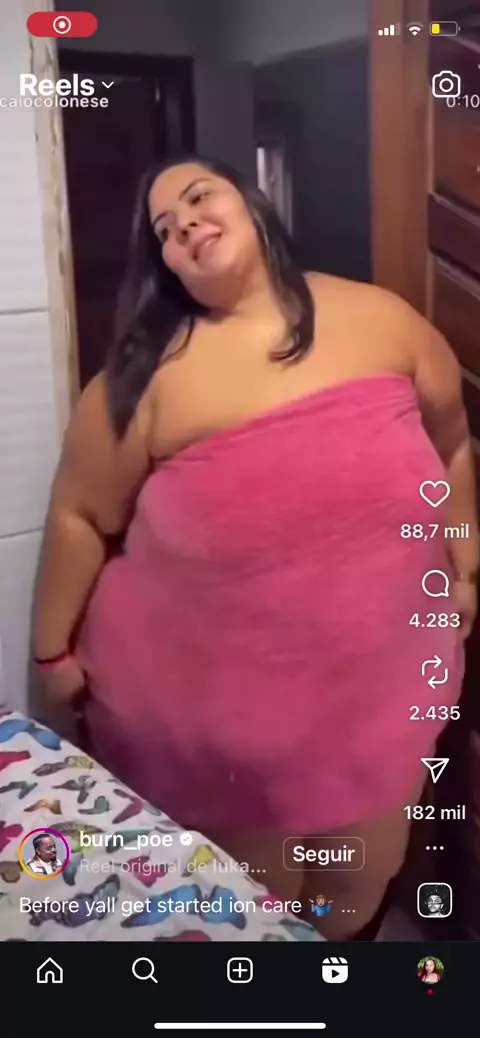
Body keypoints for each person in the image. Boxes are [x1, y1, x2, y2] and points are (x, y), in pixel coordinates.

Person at [33, 155, 478, 940]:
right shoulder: (145, 380)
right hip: (211, 718)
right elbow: (78, 515)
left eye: (199, 196)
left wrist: (465, 564)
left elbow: (451, 444)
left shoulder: (383, 319)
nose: (185, 224)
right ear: (166, 266)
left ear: (252, 202)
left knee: (349, 896)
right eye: (164, 229)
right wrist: (50, 653)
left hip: (378, 689)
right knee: (250, 916)